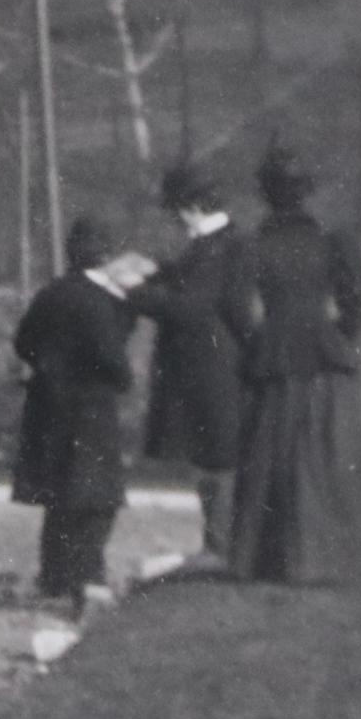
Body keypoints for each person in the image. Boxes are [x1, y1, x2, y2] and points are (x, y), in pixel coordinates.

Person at [228, 148, 361, 585]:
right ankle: (335, 558)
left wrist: (260, 342)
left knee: (272, 458)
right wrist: (337, 338)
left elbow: (238, 309)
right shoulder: (332, 241)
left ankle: (269, 561)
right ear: (305, 194)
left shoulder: (251, 245)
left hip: (274, 356)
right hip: (322, 354)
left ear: (266, 196)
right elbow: (356, 302)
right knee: (329, 455)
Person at [128, 159, 258, 567]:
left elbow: (191, 305)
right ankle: (220, 545)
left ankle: (220, 548)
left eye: (177, 210)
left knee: (217, 458)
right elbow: (191, 282)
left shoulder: (219, 246)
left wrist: (135, 291)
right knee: (211, 455)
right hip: (210, 367)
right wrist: (158, 270)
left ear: (191, 207)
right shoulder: (219, 242)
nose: (176, 219)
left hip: (213, 369)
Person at [9, 215, 142, 612]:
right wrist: (121, 380)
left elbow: (23, 341)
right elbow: (111, 356)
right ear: (104, 256)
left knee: (60, 494)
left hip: (49, 403)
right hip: (90, 406)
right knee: (98, 498)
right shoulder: (100, 301)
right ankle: (86, 576)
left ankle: (55, 576)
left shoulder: (52, 293)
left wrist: (50, 367)